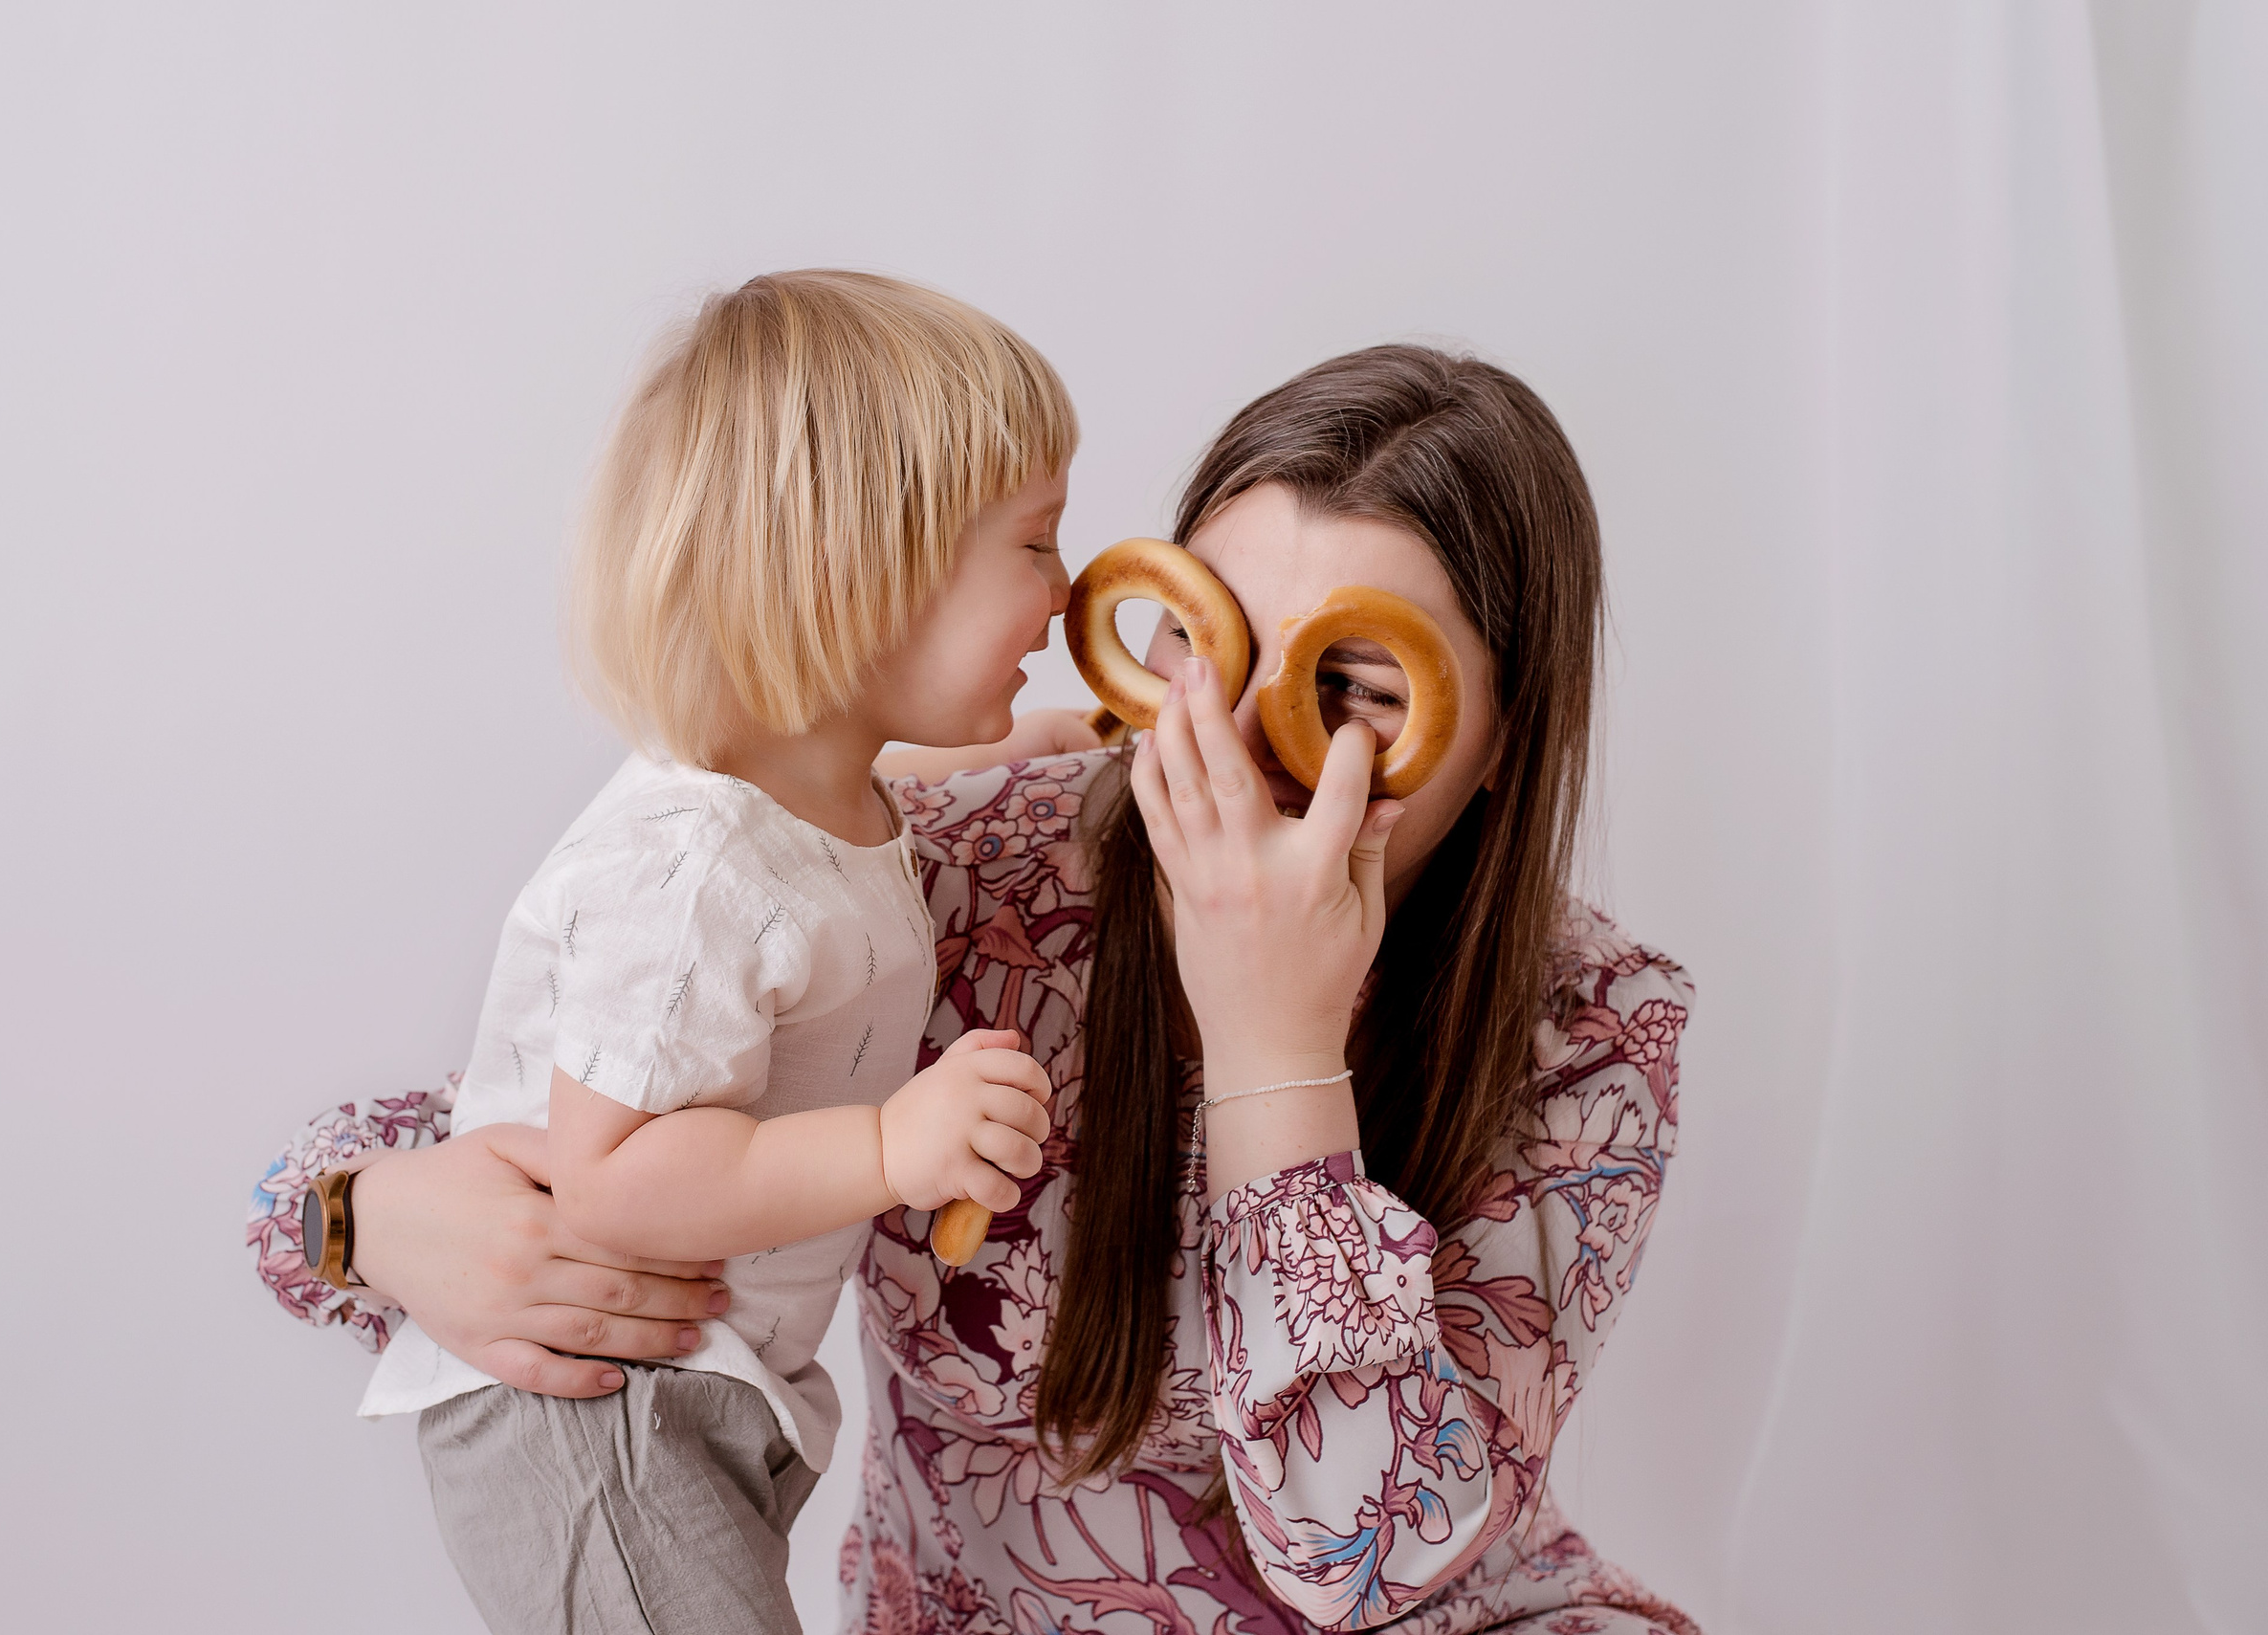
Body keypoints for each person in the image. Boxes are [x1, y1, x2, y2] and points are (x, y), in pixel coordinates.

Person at [250, 344, 1699, 1634]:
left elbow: (1357, 1560)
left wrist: (1277, 1045)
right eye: (1209, 643)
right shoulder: (956, 876)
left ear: (1505, 733)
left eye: (1354, 687)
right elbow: (520, 1131)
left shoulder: (1594, 1026)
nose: (1240, 735)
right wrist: (362, 1217)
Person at [350, 269, 1075, 1635]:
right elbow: (613, 1175)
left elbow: (890, 812)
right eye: (1034, 543)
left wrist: (1061, 737)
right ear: (868, 572)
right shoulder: (692, 873)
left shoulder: (821, 804)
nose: (1067, 585)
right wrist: (888, 1148)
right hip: (597, 1411)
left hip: (687, 1398)